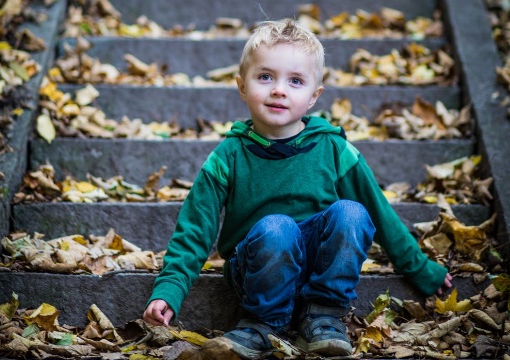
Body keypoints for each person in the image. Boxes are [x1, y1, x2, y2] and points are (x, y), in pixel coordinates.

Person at [143, 18, 453, 359]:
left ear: (313, 97)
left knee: (351, 212)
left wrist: (421, 270)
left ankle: (323, 315)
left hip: (319, 266)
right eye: (265, 76)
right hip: (257, 267)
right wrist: (169, 290)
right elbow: (195, 230)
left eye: (295, 81)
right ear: (242, 86)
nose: (279, 89)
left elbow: (380, 211)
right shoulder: (228, 156)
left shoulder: (332, 148)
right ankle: (262, 323)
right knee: (278, 228)